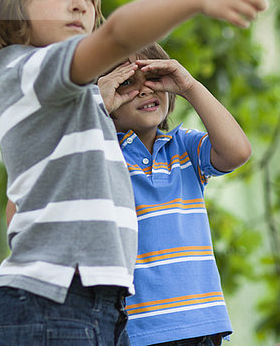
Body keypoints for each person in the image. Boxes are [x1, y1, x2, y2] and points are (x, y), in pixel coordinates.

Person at [0, 0, 276, 343]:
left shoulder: (66, 100)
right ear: (10, 7)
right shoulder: (31, 69)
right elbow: (116, 34)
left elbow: (236, 151)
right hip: (57, 297)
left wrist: (130, 96)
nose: (80, 5)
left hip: (93, 301)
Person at [97, 43, 250, 346]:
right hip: (138, 330)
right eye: (127, 83)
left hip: (202, 324)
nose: (144, 91)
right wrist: (94, 108)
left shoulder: (184, 148)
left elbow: (238, 151)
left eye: (153, 79)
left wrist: (189, 86)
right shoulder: (101, 153)